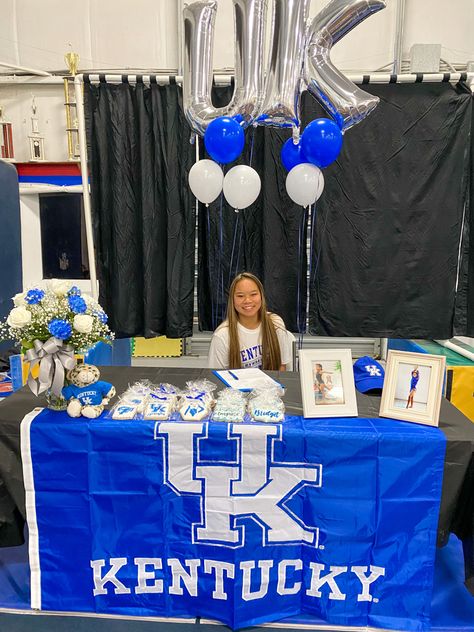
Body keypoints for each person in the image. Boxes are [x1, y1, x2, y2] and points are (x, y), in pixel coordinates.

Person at [208, 272, 292, 370]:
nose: (247, 300)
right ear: (232, 300)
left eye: (253, 294)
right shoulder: (221, 336)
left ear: (261, 296)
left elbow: (281, 367)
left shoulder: (276, 323)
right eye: (240, 296)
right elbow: (215, 377)